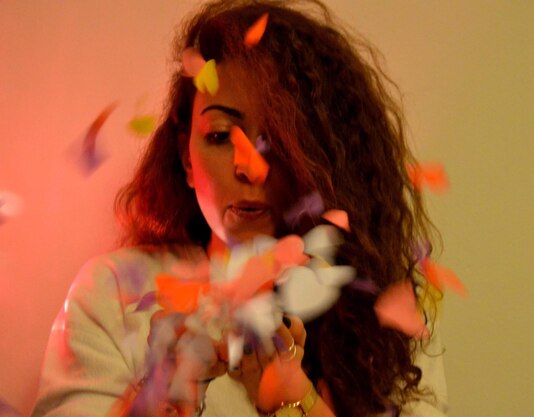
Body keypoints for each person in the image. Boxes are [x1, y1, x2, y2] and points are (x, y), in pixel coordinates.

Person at [32, 1, 448, 416]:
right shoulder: (113, 293)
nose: (250, 167)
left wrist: (294, 401)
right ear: (185, 158)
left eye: (280, 139)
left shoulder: (386, 317)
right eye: (220, 136)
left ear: (324, 157)